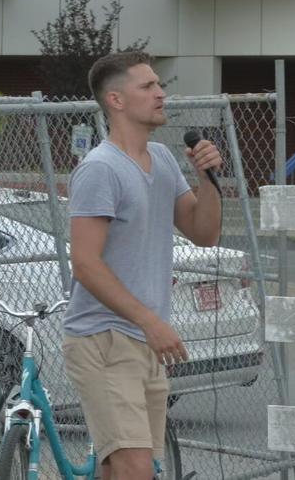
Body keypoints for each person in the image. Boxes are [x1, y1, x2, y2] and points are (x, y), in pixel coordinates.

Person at [62, 51, 222, 480]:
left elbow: (203, 232)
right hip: (104, 339)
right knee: (134, 469)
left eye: (159, 85)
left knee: (125, 469)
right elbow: (85, 263)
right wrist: (149, 321)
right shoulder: (100, 168)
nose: (161, 93)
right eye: (147, 86)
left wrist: (207, 178)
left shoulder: (164, 159)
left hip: (146, 343)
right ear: (115, 100)